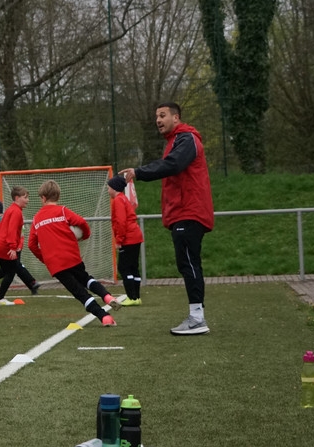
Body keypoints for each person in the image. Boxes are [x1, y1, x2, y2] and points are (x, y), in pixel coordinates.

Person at [120, 101, 214, 336]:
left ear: (176, 117)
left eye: (162, 115)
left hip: (189, 211)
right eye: (156, 117)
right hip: (183, 212)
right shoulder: (176, 141)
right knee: (187, 263)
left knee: (189, 263)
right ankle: (196, 316)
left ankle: (197, 319)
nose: (158, 120)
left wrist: (138, 172)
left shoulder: (187, 139)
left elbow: (173, 165)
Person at [27, 179, 117, 326]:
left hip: (55, 264)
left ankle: (104, 317)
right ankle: (107, 296)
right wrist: (84, 235)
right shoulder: (63, 211)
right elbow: (81, 222)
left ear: (43, 198)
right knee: (86, 279)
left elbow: (31, 245)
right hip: (72, 257)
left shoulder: (37, 218)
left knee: (79, 292)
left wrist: (45, 258)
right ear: (58, 196)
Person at [0, 187, 40, 303]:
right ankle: (0, 298)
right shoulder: (16, 212)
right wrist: (13, 247)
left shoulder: (12, 209)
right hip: (5, 246)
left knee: (6, 270)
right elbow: (12, 230)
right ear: (17, 198)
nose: (28, 200)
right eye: (25, 197)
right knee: (10, 272)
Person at [108, 174, 144, 306]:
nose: (108, 190)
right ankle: (137, 297)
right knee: (133, 267)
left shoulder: (118, 200)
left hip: (128, 238)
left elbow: (121, 222)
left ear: (114, 188)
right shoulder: (124, 198)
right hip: (136, 236)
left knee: (124, 267)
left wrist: (119, 240)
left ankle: (131, 297)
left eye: (109, 187)